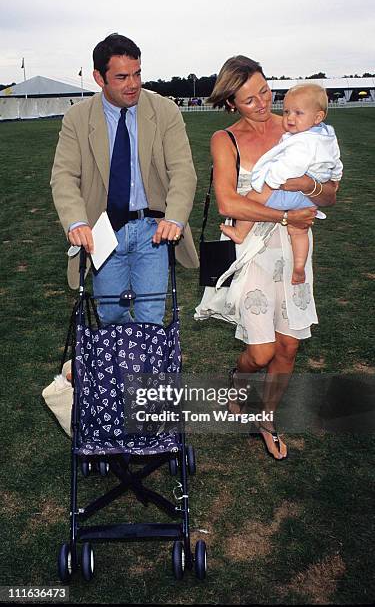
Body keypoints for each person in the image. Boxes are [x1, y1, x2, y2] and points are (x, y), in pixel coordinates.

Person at [195, 56, 337, 459]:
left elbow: (330, 193)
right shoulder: (226, 139)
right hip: (252, 251)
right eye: (249, 100)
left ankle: (266, 418)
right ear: (231, 104)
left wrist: (308, 184)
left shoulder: (300, 125)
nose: (262, 103)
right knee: (261, 351)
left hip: (294, 248)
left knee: (288, 347)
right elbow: (228, 200)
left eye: (264, 91)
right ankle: (237, 379)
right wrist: (284, 213)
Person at [51, 33, 198, 325]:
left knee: (151, 319)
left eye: (137, 73)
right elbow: (64, 175)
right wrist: (77, 222)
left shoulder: (165, 110)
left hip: (153, 231)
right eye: (121, 77)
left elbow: (183, 170)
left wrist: (175, 219)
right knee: (112, 317)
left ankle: (144, 368)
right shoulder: (77, 118)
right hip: (103, 232)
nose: (133, 84)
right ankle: (126, 366)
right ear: (98, 77)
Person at [220, 83, 343, 284]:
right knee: (299, 232)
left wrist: (271, 181)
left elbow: (290, 168)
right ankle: (299, 266)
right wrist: (336, 177)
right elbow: (335, 160)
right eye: (286, 112)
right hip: (307, 202)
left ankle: (240, 231)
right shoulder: (325, 135)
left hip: (290, 191)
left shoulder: (302, 141)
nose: (290, 118)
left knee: (255, 195)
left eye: (297, 113)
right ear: (232, 103)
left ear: (317, 117)